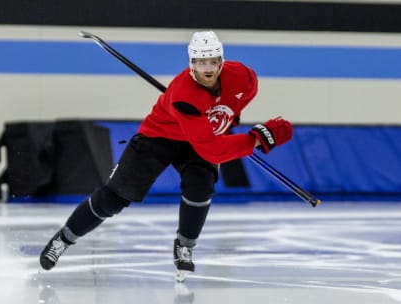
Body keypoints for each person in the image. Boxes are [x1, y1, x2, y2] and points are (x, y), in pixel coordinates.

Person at [39, 30, 293, 280]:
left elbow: (240, 101)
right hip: (159, 136)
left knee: (200, 185)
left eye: (212, 61)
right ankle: (63, 239)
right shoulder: (184, 95)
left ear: (221, 61)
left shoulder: (244, 77)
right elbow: (211, 150)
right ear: (191, 62)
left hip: (199, 137)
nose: (207, 68)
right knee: (116, 197)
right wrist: (256, 140)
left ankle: (184, 245)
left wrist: (227, 121)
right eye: (200, 62)